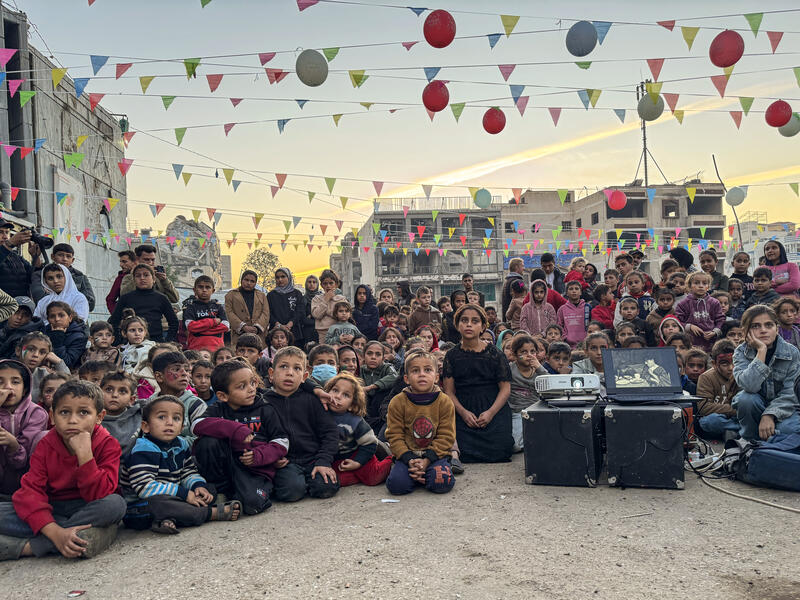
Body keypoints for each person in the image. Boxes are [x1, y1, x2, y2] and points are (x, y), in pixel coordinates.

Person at [0, 380, 127, 560]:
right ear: (52, 416)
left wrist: (85, 457)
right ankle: (83, 536)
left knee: (115, 504)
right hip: (52, 507)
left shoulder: (108, 445)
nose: (73, 420)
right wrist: (54, 531)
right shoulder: (45, 445)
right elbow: (31, 492)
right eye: (64, 412)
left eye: (84, 412)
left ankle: (30, 546)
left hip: (87, 505)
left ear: (99, 417)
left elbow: (100, 494)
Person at [123, 395, 241, 533]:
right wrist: (185, 494)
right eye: (162, 417)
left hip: (173, 496)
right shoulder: (143, 448)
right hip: (140, 507)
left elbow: (187, 472)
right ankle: (210, 513)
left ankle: (169, 520)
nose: (169, 423)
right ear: (146, 426)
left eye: (176, 418)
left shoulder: (181, 444)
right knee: (160, 504)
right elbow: (144, 488)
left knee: (208, 488)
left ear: (181, 428)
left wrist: (197, 486)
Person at [192, 359, 291, 515]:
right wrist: (235, 429)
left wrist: (260, 455)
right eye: (242, 386)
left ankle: (245, 493)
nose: (251, 389)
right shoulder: (218, 409)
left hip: (255, 470)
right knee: (207, 442)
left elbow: (282, 441)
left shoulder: (265, 408)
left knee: (253, 504)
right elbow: (197, 425)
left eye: (252, 382)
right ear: (223, 396)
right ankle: (221, 491)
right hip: (225, 468)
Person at [263, 347, 340, 502]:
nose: (290, 373)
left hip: (314, 458)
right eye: (283, 366)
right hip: (285, 462)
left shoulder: (312, 400)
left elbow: (330, 432)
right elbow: (260, 435)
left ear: (305, 376)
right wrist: (271, 458)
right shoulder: (263, 402)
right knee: (291, 492)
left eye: (297, 368)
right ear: (271, 373)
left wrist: (324, 461)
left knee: (325, 487)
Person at [442, 304, 512, 463]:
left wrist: (490, 413)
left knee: (502, 450)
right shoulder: (451, 356)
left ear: (482, 327)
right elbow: (449, 392)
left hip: (493, 406)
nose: (469, 324)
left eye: (475, 321)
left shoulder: (495, 354)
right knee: (462, 450)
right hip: (463, 408)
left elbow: (505, 389)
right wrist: (463, 413)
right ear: (457, 325)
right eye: (464, 320)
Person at [385, 350, 456, 495]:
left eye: (428, 370)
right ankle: (414, 473)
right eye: (415, 371)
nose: (422, 374)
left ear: (436, 377)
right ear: (406, 378)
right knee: (397, 486)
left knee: (441, 483)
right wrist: (409, 459)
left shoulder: (444, 401)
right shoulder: (397, 402)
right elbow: (394, 435)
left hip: (435, 455)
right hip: (407, 455)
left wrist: (427, 461)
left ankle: (426, 473)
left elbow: (446, 436)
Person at [733, 305, 800, 441]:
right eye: (755, 326)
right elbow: (749, 386)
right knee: (745, 399)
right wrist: (761, 351)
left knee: (789, 430)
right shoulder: (741, 352)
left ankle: (768, 441)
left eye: (769, 325)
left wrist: (770, 414)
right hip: (755, 408)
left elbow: (790, 393)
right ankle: (750, 442)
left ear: (776, 328)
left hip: (784, 409)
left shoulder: (792, 352)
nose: (763, 330)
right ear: (746, 331)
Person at [325, 372, 391, 486]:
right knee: (336, 481)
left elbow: (369, 444)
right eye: (335, 390)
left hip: (359, 453)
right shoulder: (319, 414)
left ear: (352, 405)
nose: (337, 396)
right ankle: (357, 475)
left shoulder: (355, 421)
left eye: (346, 395)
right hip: (336, 459)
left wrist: (358, 462)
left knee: (373, 478)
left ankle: (391, 460)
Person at [0, 360, 48, 495]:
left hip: (20, 479)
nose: (7, 387)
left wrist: (13, 444)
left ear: (25, 388)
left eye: (15, 382)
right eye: (0, 382)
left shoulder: (36, 414)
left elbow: (21, 462)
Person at [109, 264, 179, 344]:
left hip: (156, 342)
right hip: (131, 344)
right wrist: (118, 342)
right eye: (138, 276)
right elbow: (114, 321)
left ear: (153, 279)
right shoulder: (126, 298)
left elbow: (174, 322)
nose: (142, 278)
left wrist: (167, 342)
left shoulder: (161, 298)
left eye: (146, 275)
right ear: (134, 280)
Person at [148, 351, 206, 443]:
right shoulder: (149, 404)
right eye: (176, 369)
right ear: (159, 376)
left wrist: (171, 442)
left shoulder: (195, 405)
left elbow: (202, 439)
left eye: (187, 370)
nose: (184, 374)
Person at [508, 334, 546, 452]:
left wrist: (540, 368)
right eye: (523, 352)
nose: (529, 355)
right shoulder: (510, 369)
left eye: (532, 351)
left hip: (536, 411)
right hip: (517, 412)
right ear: (515, 355)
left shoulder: (539, 370)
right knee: (516, 446)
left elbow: (551, 385)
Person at [31, 244, 95, 313]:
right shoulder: (40, 275)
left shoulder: (80, 276)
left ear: (72, 260)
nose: (64, 259)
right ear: (52, 256)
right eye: (60, 255)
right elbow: (40, 298)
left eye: (68, 256)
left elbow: (90, 303)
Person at [696, 340, 740, 438]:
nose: (731, 368)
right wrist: (734, 409)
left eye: (734, 362)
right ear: (714, 364)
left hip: (737, 418)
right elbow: (704, 407)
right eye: (725, 364)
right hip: (718, 418)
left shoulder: (741, 375)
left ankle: (731, 430)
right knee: (710, 421)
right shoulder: (706, 377)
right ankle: (737, 430)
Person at [675, 272, 725, 352]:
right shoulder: (683, 303)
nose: (701, 286)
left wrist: (715, 331)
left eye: (704, 283)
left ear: (708, 287)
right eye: (696, 283)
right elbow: (677, 321)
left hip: (711, 344)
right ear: (690, 286)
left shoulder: (714, 303)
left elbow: (720, 319)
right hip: (691, 344)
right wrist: (690, 326)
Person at [99, 371, 141, 458]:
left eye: (122, 391)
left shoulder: (140, 413)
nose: (114, 395)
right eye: (109, 389)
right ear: (99, 393)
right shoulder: (92, 420)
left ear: (131, 400)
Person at [225, 270, 270, 347]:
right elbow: (229, 312)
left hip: (259, 334)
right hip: (239, 334)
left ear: (255, 283)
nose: (249, 283)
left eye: (252, 281)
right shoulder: (231, 295)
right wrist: (243, 327)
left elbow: (266, 313)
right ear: (241, 280)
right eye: (246, 280)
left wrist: (257, 327)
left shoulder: (261, 295)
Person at [183, 275, 229, 351]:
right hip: (196, 349)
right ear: (194, 290)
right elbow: (190, 326)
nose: (204, 290)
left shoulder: (218, 307)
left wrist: (200, 329)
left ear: (213, 290)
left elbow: (226, 326)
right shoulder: (190, 307)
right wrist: (213, 322)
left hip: (217, 349)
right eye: (200, 287)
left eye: (207, 287)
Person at [360, 340, 398, 430]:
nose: (373, 357)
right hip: (366, 406)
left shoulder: (387, 367)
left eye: (378, 354)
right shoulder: (361, 370)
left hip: (380, 407)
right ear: (363, 356)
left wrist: (372, 386)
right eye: (369, 354)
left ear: (383, 358)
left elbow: (394, 377)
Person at [267, 267, 306, 348]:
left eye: (283, 276)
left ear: (289, 277)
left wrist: (289, 325)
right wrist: (278, 325)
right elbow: (268, 313)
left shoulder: (297, 294)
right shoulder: (271, 295)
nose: (280, 279)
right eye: (277, 277)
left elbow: (300, 311)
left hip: (295, 332)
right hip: (275, 333)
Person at [43, 302, 88, 371]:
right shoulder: (44, 332)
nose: (57, 319)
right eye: (52, 316)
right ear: (48, 320)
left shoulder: (79, 337)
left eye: (61, 315)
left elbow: (67, 363)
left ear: (70, 318)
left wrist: (58, 337)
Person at [0, 219, 36, 298]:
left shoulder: (15, 256)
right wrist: (9, 244)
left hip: (22, 307)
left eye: (7, 232)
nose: (5, 237)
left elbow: (34, 277)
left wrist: (35, 256)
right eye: (1, 232)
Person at [557, 281, 590, 348]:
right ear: (567, 293)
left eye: (576, 289)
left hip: (585, 345)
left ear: (580, 292)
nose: (574, 291)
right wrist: (565, 337)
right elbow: (559, 326)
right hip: (568, 346)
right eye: (571, 289)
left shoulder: (587, 307)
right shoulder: (562, 309)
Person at [301, 275, 321, 347]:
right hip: (308, 333)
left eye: (314, 282)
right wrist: (318, 318)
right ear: (306, 284)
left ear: (318, 284)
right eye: (309, 282)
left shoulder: (322, 298)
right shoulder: (303, 299)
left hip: (321, 332)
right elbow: (304, 320)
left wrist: (311, 315)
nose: (312, 284)